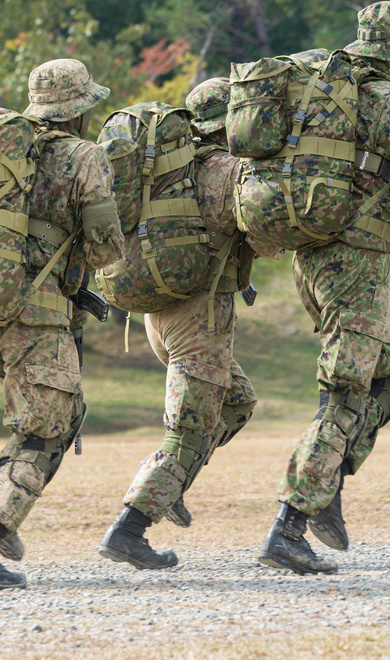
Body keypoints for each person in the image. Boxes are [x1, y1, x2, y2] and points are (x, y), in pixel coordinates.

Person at [258, 1, 390, 575]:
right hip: (357, 263)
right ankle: (288, 526)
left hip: (309, 258)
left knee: (387, 378)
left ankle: (325, 491)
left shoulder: (316, 93)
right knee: (346, 390)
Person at [0, 58, 124, 590]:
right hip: (38, 315)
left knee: (60, 418)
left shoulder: (1, 151)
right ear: (82, 109)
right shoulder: (83, 156)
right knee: (45, 432)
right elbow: (106, 247)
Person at [98, 78, 271, 569]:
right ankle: (130, 528)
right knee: (189, 431)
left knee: (236, 402)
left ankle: (170, 482)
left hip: (155, 315)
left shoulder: (163, 171)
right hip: (198, 317)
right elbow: (267, 236)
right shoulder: (222, 171)